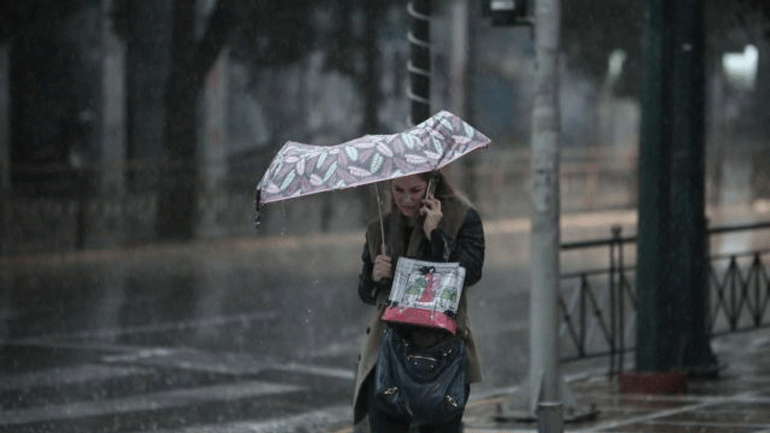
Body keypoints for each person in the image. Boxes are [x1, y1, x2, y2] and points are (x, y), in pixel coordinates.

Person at [352, 170, 485, 433]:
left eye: (414, 191)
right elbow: (366, 294)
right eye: (398, 190)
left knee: (440, 424)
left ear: (432, 185)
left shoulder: (460, 218)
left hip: (440, 351)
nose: (406, 200)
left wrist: (436, 234)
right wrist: (374, 275)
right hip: (389, 352)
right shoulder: (381, 227)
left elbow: (470, 273)